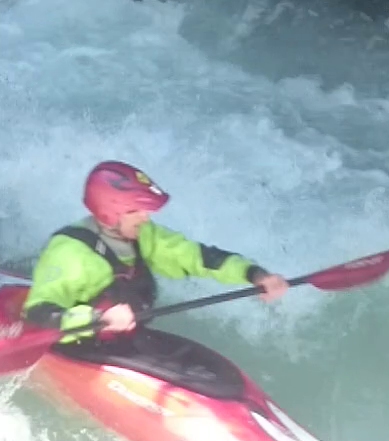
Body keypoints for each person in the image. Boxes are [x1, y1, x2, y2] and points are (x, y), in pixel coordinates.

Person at [21, 162, 288, 387]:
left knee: (213, 375)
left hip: (123, 341)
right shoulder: (70, 253)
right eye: (136, 210)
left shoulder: (142, 235)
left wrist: (255, 275)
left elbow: (197, 257)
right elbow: (39, 314)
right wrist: (98, 318)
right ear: (111, 212)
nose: (145, 217)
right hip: (78, 346)